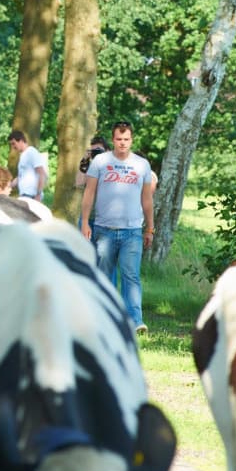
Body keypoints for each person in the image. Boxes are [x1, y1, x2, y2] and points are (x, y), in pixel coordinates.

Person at [80, 120, 155, 336]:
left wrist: (150, 228)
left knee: (131, 275)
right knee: (104, 275)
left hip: (132, 231)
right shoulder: (101, 161)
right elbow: (89, 193)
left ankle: (135, 320)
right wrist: (85, 222)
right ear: (113, 140)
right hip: (104, 229)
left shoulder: (142, 165)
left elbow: (147, 199)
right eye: (119, 139)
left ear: (132, 140)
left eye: (126, 139)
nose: (122, 143)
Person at [7, 130, 48, 202]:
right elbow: (20, 177)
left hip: (32, 195)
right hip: (24, 195)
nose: (13, 147)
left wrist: (38, 194)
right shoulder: (23, 155)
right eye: (11, 144)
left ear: (21, 141)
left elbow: (42, 173)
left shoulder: (31, 152)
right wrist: (8, 186)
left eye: (14, 143)